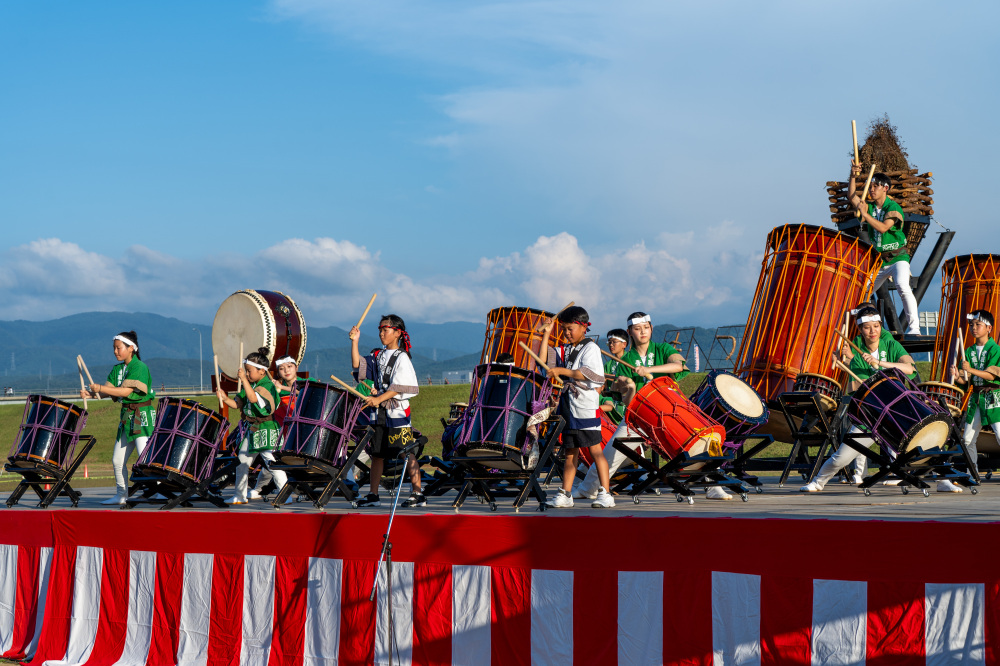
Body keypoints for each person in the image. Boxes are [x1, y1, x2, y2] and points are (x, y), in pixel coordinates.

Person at [801, 306, 925, 492]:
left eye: (876, 326)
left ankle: (941, 479)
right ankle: (818, 481)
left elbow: (910, 368)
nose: (872, 331)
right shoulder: (856, 351)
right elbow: (853, 387)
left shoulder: (891, 345)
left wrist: (880, 364)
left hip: (894, 410)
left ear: (880, 326)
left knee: (921, 445)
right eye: (867, 327)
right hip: (871, 413)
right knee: (843, 455)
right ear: (860, 329)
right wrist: (855, 367)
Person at [538, 306, 615, 508]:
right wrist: (546, 334)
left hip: (586, 406)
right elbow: (547, 359)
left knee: (595, 450)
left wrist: (563, 371)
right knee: (570, 451)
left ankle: (606, 493)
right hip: (568, 406)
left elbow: (592, 375)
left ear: (583, 326)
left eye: (570, 328)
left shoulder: (591, 348)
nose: (566, 333)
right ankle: (566, 493)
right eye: (563, 329)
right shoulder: (566, 349)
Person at [350, 315, 424, 508]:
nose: (382, 334)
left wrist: (378, 398)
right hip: (379, 412)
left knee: (405, 451)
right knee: (377, 454)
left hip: (397, 412)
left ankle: (418, 492)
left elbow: (400, 386)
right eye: (380, 330)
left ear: (397, 332)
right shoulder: (378, 355)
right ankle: (373, 495)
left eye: (386, 330)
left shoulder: (402, 357)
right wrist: (355, 342)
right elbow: (358, 366)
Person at [81, 331, 156, 505]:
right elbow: (107, 391)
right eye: (114, 348)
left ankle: (158, 490)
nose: (115, 351)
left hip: (142, 417)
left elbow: (125, 392)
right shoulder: (117, 369)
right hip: (127, 418)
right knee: (117, 460)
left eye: (118, 348)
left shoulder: (139, 367)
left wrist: (99, 388)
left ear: (131, 348)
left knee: (145, 459)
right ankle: (122, 494)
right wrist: (90, 394)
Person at [848, 164, 920, 334]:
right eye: (870, 186)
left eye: (875, 186)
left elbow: (882, 228)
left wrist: (864, 214)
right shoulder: (870, 207)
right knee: (862, 290)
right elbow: (851, 196)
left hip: (898, 258)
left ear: (885, 188)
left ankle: (914, 328)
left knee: (902, 285)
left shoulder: (893, 208)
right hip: (879, 261)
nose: (871, 189)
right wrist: (852, 175)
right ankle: (860, 326)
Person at [574, 329, 639, 500]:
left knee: (611, 449)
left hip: (626, 410)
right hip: (611, 405)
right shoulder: (607, 366)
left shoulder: (629, 361)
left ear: (625, 344)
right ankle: (585, 483)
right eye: (609, 342)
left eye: (615, 342)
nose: (611, 345)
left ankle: (638, 475)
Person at [216, 347, 283, 504]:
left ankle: (284, 494)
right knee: (242, 462)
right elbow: (237, 403)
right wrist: (225, 398)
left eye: (249, 371)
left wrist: (244, 381)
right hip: (252, 430)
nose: (246, 374)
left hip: (266, 428)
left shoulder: (268, 385)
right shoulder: (249, 385)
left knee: (271, 463)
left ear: (261, 371)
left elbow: (253, 399)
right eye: (245, 371)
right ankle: (240, 495)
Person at [953, 310, 1000, 482]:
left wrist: (969, 370)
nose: (973, 327)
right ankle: (972, 472)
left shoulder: (996, 350)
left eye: (977, 324)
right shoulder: (969, 351)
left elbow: (991, 376)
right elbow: (965, 382)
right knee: (967, 439)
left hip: (995, 397)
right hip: (976, 398)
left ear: (989, 328)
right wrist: (957, 375)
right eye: (971, 324)